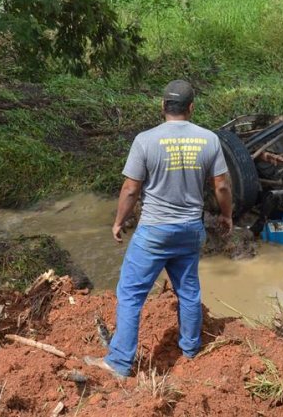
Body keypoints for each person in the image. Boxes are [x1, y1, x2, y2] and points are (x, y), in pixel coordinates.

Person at [84, 80, 233, 378]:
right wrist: (227, 215)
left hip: (154, 231)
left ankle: (120, 362)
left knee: (130, 294)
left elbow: (130, 189)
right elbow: (222, 184)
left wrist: (119, 221)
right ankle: (191, 350)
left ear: (163, 106)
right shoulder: (209, 140)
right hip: (190, 228)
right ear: (191, 108)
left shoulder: (145, 140)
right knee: (188, 291)